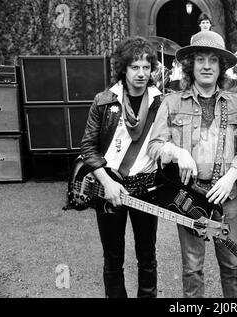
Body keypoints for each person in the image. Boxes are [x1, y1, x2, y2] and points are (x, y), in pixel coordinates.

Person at [147, 30, 237, 298]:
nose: (206, 66)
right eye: (200, 59)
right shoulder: (170, 103)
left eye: (213, 60)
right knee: (193, 267)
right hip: (188, 196)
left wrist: (232, 175)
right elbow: (153, 146)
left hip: (225, 196)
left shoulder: (236, 103)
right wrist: (177, 152)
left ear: (221, 67)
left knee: (231, 264)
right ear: (190, 65)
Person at [80, 36, 163, 298]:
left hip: (147, 187)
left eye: (146, 67)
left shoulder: (162, 103)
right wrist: (106, 182)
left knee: (147, 256)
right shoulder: (104, 101)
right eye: (135, 67)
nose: (141, 73)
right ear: (123, 69)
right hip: (109, 187)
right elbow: (88, 148)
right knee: (113, 258)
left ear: (152, 70)